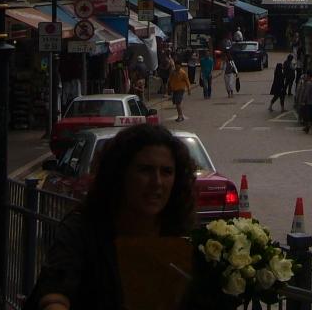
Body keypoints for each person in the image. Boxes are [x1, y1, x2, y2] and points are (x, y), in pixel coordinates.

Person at [26, 124, 197, 310]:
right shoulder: (83, 231)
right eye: (145, 170)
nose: (157, 182)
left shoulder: (181, 235)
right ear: (120, 174)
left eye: (166, 172)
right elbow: (55, 292)